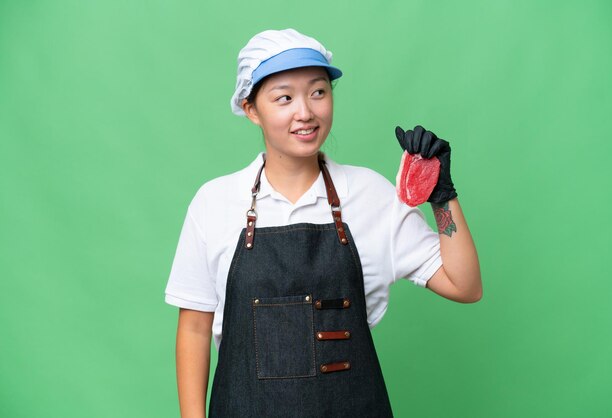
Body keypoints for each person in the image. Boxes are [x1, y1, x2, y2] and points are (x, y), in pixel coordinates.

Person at [165, 28, 481, 418]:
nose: (306, 112)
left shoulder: (370, 194)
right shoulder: (215, 202)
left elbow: (464, 285)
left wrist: (442, 197)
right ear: (251, 109)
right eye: (284, 97)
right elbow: (195, 330)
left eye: (318, 92)